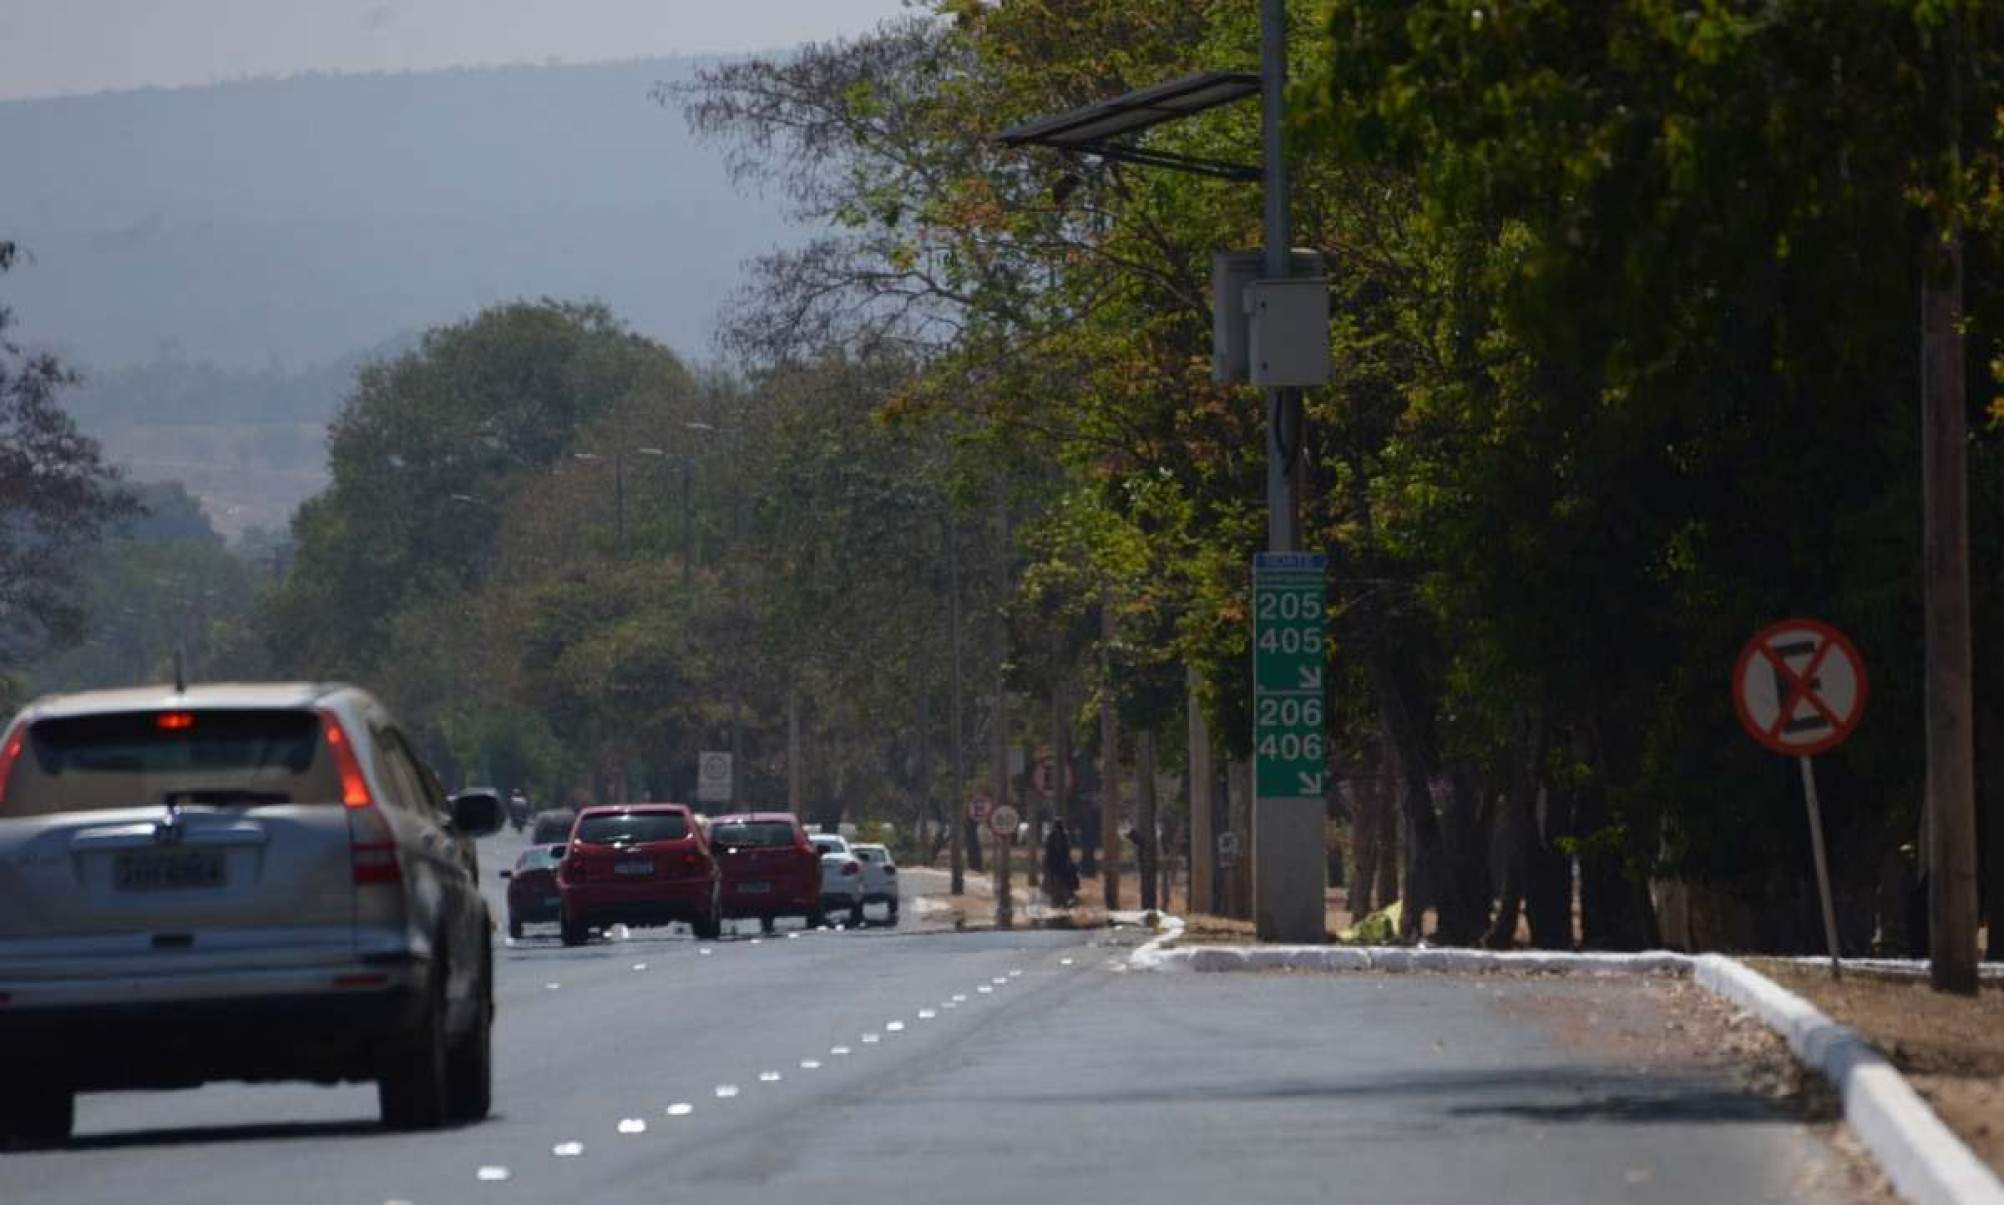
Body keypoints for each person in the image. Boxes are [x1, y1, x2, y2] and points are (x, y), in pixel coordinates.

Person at [1043, 818, 1079, 907]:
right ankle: (1063, 897)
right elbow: (1066, 850)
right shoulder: (1062, 836)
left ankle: (1059, 898)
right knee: (1064, 880)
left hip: (1056, 865)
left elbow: (1049, 851)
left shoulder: (1053, 836)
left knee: (1059, 881)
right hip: (1059, 865)